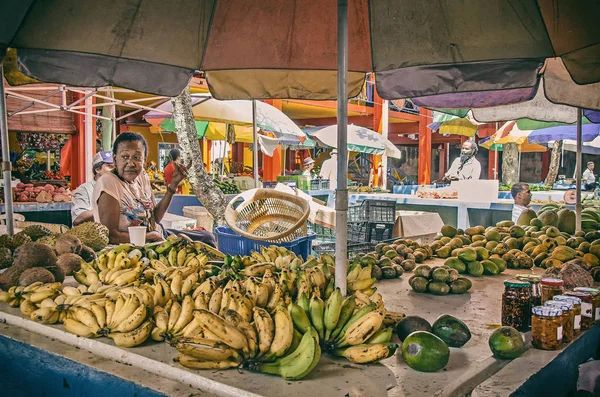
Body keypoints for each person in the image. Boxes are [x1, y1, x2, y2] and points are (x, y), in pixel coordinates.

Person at [93, 132, 188, 244]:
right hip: (129, 252)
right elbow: (111, 236)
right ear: (115, 159)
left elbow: (155, 218)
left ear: (144, 160)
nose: (131, 163)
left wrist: (172, 187)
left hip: (157, 239)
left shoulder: (142, 176)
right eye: (124, 157)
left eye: (137, 157)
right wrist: (147, 237)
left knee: (206, 237)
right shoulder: (108, 183)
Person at [71, 151, 114, 226]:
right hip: (92, 236)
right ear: (97, 169)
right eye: (110, 166)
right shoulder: (84, 189)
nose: (114, 170)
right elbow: (78, 219)